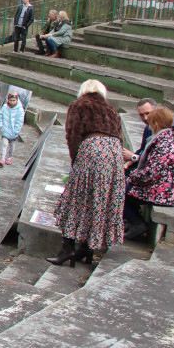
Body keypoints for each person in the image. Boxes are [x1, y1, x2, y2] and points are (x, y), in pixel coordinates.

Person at [47, 80, 125, 267]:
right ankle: (87, 249)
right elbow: (119, 138)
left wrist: (76, 163)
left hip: (93, 151)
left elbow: (73, 135)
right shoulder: (112, 110)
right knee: (101, 200)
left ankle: (67, 249)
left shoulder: (79, 105)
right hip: (114, 156)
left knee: (76, 199)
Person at [123, 108, 174, 240]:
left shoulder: (163, 144)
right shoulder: (173, 139)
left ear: (156, 124)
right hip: (167, 190)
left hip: (163, 194)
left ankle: (136, 222)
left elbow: (149, 175)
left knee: (114, 186)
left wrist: (129, 178)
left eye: (150, 123)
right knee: (121, 181)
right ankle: (132, 220)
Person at [0, 90, 25, 166]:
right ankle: (2, 158)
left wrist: (16, 131)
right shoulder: (5, 107)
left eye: (14, 100)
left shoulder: (20, 110)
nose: (12, 102)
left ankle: (9, 157)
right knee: (4, 144)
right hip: (5, 130)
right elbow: (0, 116)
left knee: (12, 145)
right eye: (11, 100)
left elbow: (20, 121)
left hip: (14, 132)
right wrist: (1, 126)